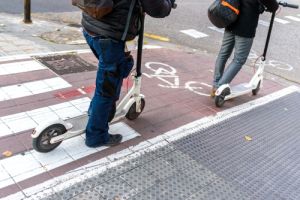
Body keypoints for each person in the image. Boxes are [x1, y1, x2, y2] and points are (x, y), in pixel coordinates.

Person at [81, 0, 175, 147]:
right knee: (107, 90)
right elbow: (158, 9)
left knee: (114, 72)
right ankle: (96, 136)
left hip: (90, 27)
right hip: (110, 36)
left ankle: (97, 111)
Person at [211, 0, 279, 97]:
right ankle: (220, 86)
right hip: (245, 27)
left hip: (230, 19)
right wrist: (275, 6)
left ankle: (215, 84)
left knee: (224, 53)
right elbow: (272, 6)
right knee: (239, 60)